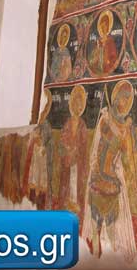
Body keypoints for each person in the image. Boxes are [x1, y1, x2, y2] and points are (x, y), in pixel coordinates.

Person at [83, 80, 137, 262]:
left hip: (112, 181)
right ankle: (94, 258)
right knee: (95, 227)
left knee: (112, 230)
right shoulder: (104, 119)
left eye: (127, 99)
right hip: (97, 178)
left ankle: (111, 260)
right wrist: (94, 168)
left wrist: (130, 173)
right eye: (122, 97)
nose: (124, 102)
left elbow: (127, 157)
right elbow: (95, 148)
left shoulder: (125, 130)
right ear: (115, 98)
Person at [58, 85, 89, 219]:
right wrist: (68, 149)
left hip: (78, 162)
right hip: (67, 161)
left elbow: (84, 145)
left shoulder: (82, 125)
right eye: (75, 103)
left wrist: (76, 151)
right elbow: (62, 140)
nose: (77, 107)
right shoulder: (68, 123)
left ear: (81, 107)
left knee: (76, 187)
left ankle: (76, 212)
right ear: (72, 105)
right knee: (67, 185)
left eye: (80, 104)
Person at [89, 10, 119, 76]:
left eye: (104, 26)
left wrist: (108, 61)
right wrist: (97, 50)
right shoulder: (98, 41)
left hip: (107, 67)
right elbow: (92, 58)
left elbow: (114, 56)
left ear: (108, 27)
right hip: (97, 68)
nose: (102, 29)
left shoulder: (110, 40)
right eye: (101, 27)